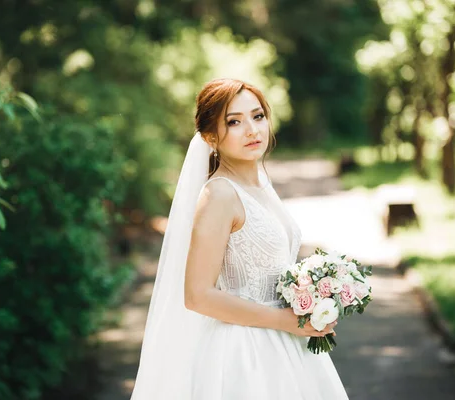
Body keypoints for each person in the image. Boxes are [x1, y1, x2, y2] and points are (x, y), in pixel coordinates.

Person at [131, 78, 349, 399]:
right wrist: (282, 320)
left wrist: (313, 296)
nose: (252, 129)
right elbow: (197, 295)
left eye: (258, 116)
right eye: (234, 122)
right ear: (210, 137)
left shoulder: (259, 185)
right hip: (245, 353)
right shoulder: (219, 194)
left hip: (286, 343)